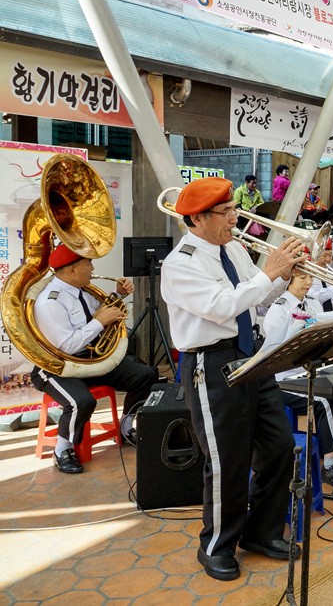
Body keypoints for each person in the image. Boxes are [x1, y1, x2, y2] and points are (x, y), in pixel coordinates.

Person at [160, 176, 305, 581]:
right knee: (227, 461)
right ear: (198, 218)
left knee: (278, 447)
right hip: (211, 363)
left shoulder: (234, 248)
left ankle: (262, 532)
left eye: (232, 209)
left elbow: (257, 299)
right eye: (225, 212)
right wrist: (269, 273)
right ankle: (217, 546)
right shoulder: (181, 263)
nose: (234, 218)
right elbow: (222, 306)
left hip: (251, 355)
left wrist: (285, 276)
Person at [30, 244, 157, 474]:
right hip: (57, 367)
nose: (92, 268)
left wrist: (118, 295)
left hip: (90, 362)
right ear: (72, 270)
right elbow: (67, 345)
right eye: (88, 263)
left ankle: (126, 426)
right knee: (81, 401)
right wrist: (100, 322)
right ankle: (62, 449)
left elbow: (99, 312)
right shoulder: (50, 302)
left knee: (145, 375)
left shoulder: (83, 291)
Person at [259, 271, 333, 491]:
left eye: (310, 278)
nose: (309, 282)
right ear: (289, 280)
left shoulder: (311, 304)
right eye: (303, 278)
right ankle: (329, 465)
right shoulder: (278, 309)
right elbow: (276, 354)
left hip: (309, 370)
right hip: (285, 379)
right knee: (323, 401)